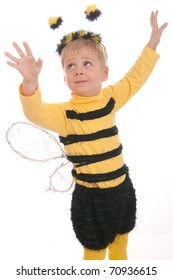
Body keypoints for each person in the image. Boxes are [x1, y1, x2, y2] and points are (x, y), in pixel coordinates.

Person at [5, 11, 167, 260]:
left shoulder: (111, 98)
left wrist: (152, 44)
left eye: (87, 63)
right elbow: (36, 113)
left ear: (104, 73)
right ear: (65, 78)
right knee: (93, 253)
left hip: (122, 189)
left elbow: (136, 77)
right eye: (71, 66)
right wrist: (30, 83)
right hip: (89, 198)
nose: (78, 71)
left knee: (120, 246)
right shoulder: (65, 115)